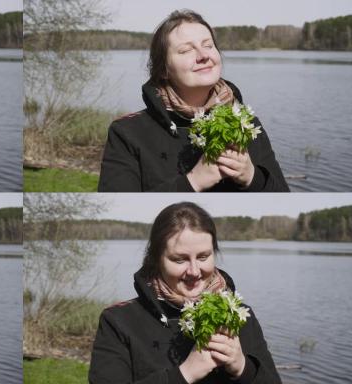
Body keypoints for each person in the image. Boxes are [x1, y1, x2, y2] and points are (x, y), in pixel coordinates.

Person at [89, 202, 281, 384]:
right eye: (179, 260)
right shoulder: (119, 321)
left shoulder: (240, 316)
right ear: (156, 260)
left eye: (203, 257)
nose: (194, 271)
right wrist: (184, 374)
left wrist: (243, 368)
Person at [98, 10, 289, 192]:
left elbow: (282, 196)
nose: (203, 55)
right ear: (163, 69)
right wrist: (193, 181)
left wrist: (252, 177)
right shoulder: (128, 133)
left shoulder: (246, 124)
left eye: (208, 45)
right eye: (186, 50)